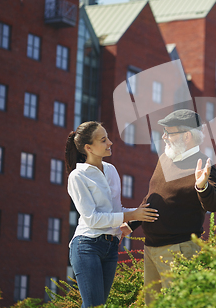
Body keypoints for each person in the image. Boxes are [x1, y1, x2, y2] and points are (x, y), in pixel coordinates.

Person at [125, 110, 216, 304]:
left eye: (169, 133)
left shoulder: (202, 166)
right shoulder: (164, 159)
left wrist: (202, 186)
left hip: (179, 250)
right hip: (151, 248)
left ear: (187, 136)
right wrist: (130, 224)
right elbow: (152, 197)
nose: (164, 137)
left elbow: (215, 204)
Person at [65, 121, 159, 308]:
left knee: (98, 305)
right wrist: (132, 216)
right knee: (94, 306)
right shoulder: (78, 177)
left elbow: (115, 211)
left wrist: (139, 214)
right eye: (103, 140)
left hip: (111, 246)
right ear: (88, 148)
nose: (110, 142)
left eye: (107, 137)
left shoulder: (111, 170)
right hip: (87, 245)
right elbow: (92, 219)